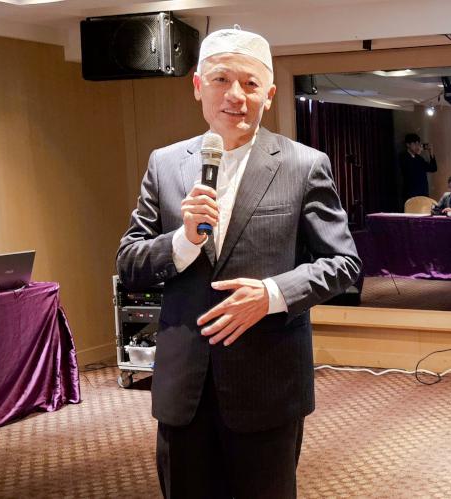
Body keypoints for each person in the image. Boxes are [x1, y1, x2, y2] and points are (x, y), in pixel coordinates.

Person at [115, 28, 360, 499]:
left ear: (269, 94)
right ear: (197, 86)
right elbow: (129, 261)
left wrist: (271, 295)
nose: (235, 95)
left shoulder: (303, 165)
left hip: (266, 382)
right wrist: (183, 241)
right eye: (221, 80)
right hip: (183, 387)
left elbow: (343, 263)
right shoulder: (165, 164)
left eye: (250, 84)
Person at [397, 133, 437, 200]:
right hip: (411, 196)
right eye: (414, 143)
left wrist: (431, 152)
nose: (417, 146)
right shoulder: (403, 157)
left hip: (423, 194)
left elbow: (433, 168)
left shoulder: (419, 158)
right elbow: (409, 170)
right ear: (408, 144)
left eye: (418, 143)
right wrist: (418, 154)